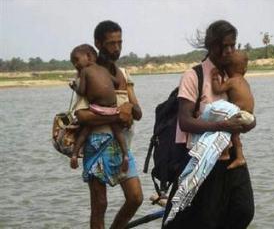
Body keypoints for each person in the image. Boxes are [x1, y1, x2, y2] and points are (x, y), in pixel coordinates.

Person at [162, 20, 256, 229]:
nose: (230, 50)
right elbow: (185, 121)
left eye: (233, 45)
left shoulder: (231, 75)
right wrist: (223, 125)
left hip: (229, 156)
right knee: (205, 219)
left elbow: (244, 111)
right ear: (211, 45)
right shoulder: (194, 76)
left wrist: (249, 122)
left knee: (243, 209)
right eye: (225, 46)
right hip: (201, 157)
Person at [72, 21, 143, 229]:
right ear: (98, 43)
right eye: (111, 43)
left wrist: (129, 107)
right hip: (96, 143)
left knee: (135, 197)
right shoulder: (89, 73)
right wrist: (115, 117)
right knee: (100, 204)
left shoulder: (124, 75)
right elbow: (82, 116)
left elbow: (138, 113)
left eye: (119, 42)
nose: (117, 48)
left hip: (121, 146)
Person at [69, 44, 129, 175]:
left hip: (97, 108)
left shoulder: (85, 72)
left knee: (85, 130)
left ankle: (74, 154)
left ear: (89, 57)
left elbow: (82, 91)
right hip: (113, 108)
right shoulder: (103, 70)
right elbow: (116, 82)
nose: (75, 65)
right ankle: (125, 154)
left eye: (76, 60)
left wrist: (74, 87)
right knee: (117, 131)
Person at [211, 50, 255, 170]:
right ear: (244, 69)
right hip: (250, 115)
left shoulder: (232, 81)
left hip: (242, 114)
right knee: (235, 136)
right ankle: (239, 156)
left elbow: (217, 90)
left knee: (226, 127)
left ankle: (227, 154)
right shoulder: (244, 82)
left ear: (229, 69)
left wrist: (214, 77)